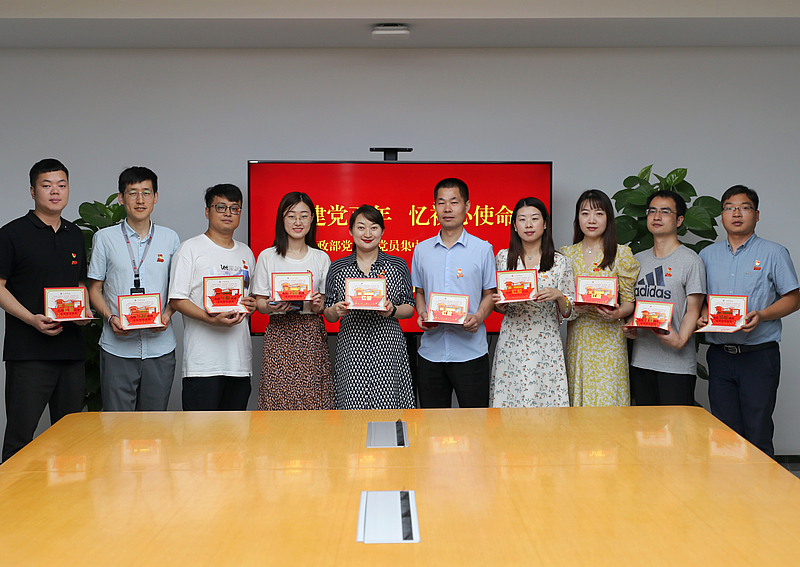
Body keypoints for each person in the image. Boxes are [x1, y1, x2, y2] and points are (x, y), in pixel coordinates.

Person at [698, 185, 799, 458]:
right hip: (720, 356)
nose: (737, 213)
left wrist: (762, 315)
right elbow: (700, 298)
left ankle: (764, 485)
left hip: (759, 356)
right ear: (721, 216)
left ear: (757, 215)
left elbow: (794, 298)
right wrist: (705, 311)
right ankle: (730, 485)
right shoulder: (706, 255)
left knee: (758, 430)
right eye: (730, 208)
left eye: (744, 207)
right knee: (724, 434)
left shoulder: (774, 253)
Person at [0, 159, 89, 461]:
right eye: (46, 185)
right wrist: (31, 319)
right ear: (32, 190)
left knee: (71, 443)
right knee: (20, 439)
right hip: (29, 354)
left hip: (71, 353)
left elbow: (79, 285)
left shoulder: (75, 234)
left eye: (61, 185)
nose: (55, 191)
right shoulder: (11, 234)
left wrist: (83, 313)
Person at [87, 167, 181, 411]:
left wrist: (167, 314)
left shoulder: (170, 238)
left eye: (146, 192)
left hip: (160, 348)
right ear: (121, 198)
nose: (140, 200)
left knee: (154, 424)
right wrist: (110, 318)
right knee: (117, 424)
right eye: (133, 193)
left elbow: (178, 288)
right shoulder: (104, 238)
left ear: (155, 197)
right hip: (117, 348)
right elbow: (94, 289)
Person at [168, 184, 256, 411]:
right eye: (221, 207)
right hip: (203, 365)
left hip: (239, 363)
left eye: (235, 208)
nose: (228, 213)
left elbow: (249, 297)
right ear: (207, 212)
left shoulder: (246, 252)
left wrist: (252, 304)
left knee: (237, 432)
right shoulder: (190, 249)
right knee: (200, 433)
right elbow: (177, 299)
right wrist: (211, 319)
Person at [410, 178, 496, 408]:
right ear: (435, 207)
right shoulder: (421, 250)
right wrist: (422, 313)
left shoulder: (482, 249)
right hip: (431, 353)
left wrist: (478, 317)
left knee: (476, 423)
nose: (447, 209)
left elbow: (490, 293)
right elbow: (419, 292)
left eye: (454, 202)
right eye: (441, 203)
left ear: (467, 206)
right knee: (432, 424)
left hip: (471, 353)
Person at [323, 205, 415, 409]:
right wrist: (335, 310)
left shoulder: (397, 265)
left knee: (389, 407)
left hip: (388, 347)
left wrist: (392, 310)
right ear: (350, 231)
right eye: (361, 227)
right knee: (351, 408)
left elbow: (409, 306)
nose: (367, 234)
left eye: (373, 228)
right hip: (352, 348)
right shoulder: (338, 267)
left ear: (382, 231)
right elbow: (328, 312)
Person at [490, 197, 576, 408]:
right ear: (515, 226)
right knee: (510, 401)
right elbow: (498, 304)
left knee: (546, 403)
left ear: (545, 223)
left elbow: (571, 311)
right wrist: (498, 305)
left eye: (535, 218)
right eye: (522, 219)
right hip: (512, 342)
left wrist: (559, 296)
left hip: (546, 343)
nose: (528, 224)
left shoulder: (560, 262)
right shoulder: (503, 258)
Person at [252, 192, 333, 410]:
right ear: (282, 219)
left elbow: (325, 304)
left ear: (312, 219)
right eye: (291, 216)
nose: (298, 222)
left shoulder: (321, 257)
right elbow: (259, 303)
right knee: (277, 402)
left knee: (313, 402)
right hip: (279, 334)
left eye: (304, 216)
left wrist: (318, 305)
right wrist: (270, 305)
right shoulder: (267, 256)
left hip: (310, 335)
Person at [625, 190, 705, 406]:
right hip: (641, 362)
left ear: (679, 220)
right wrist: (630, 325)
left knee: (676, 427)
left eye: (665, 211)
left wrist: (679, 341)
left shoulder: (691, 261)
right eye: (652, 211)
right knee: (644, 426)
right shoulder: (636, 260)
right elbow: (633, 304)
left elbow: (693, 310)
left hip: (676, 365)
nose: (657, 216)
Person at [560, 190, 639, 406]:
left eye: (599, 213)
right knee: (579, 400)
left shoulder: (621, 254)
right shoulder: (566, 255)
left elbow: (629, 302)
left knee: (609, 400)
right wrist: (573, 306)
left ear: (608, 218)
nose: (592, 220)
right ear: (578, 218)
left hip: (610, 340)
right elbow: (562, 302)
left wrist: (618, 313)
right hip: (579, 338)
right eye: (585, 213)